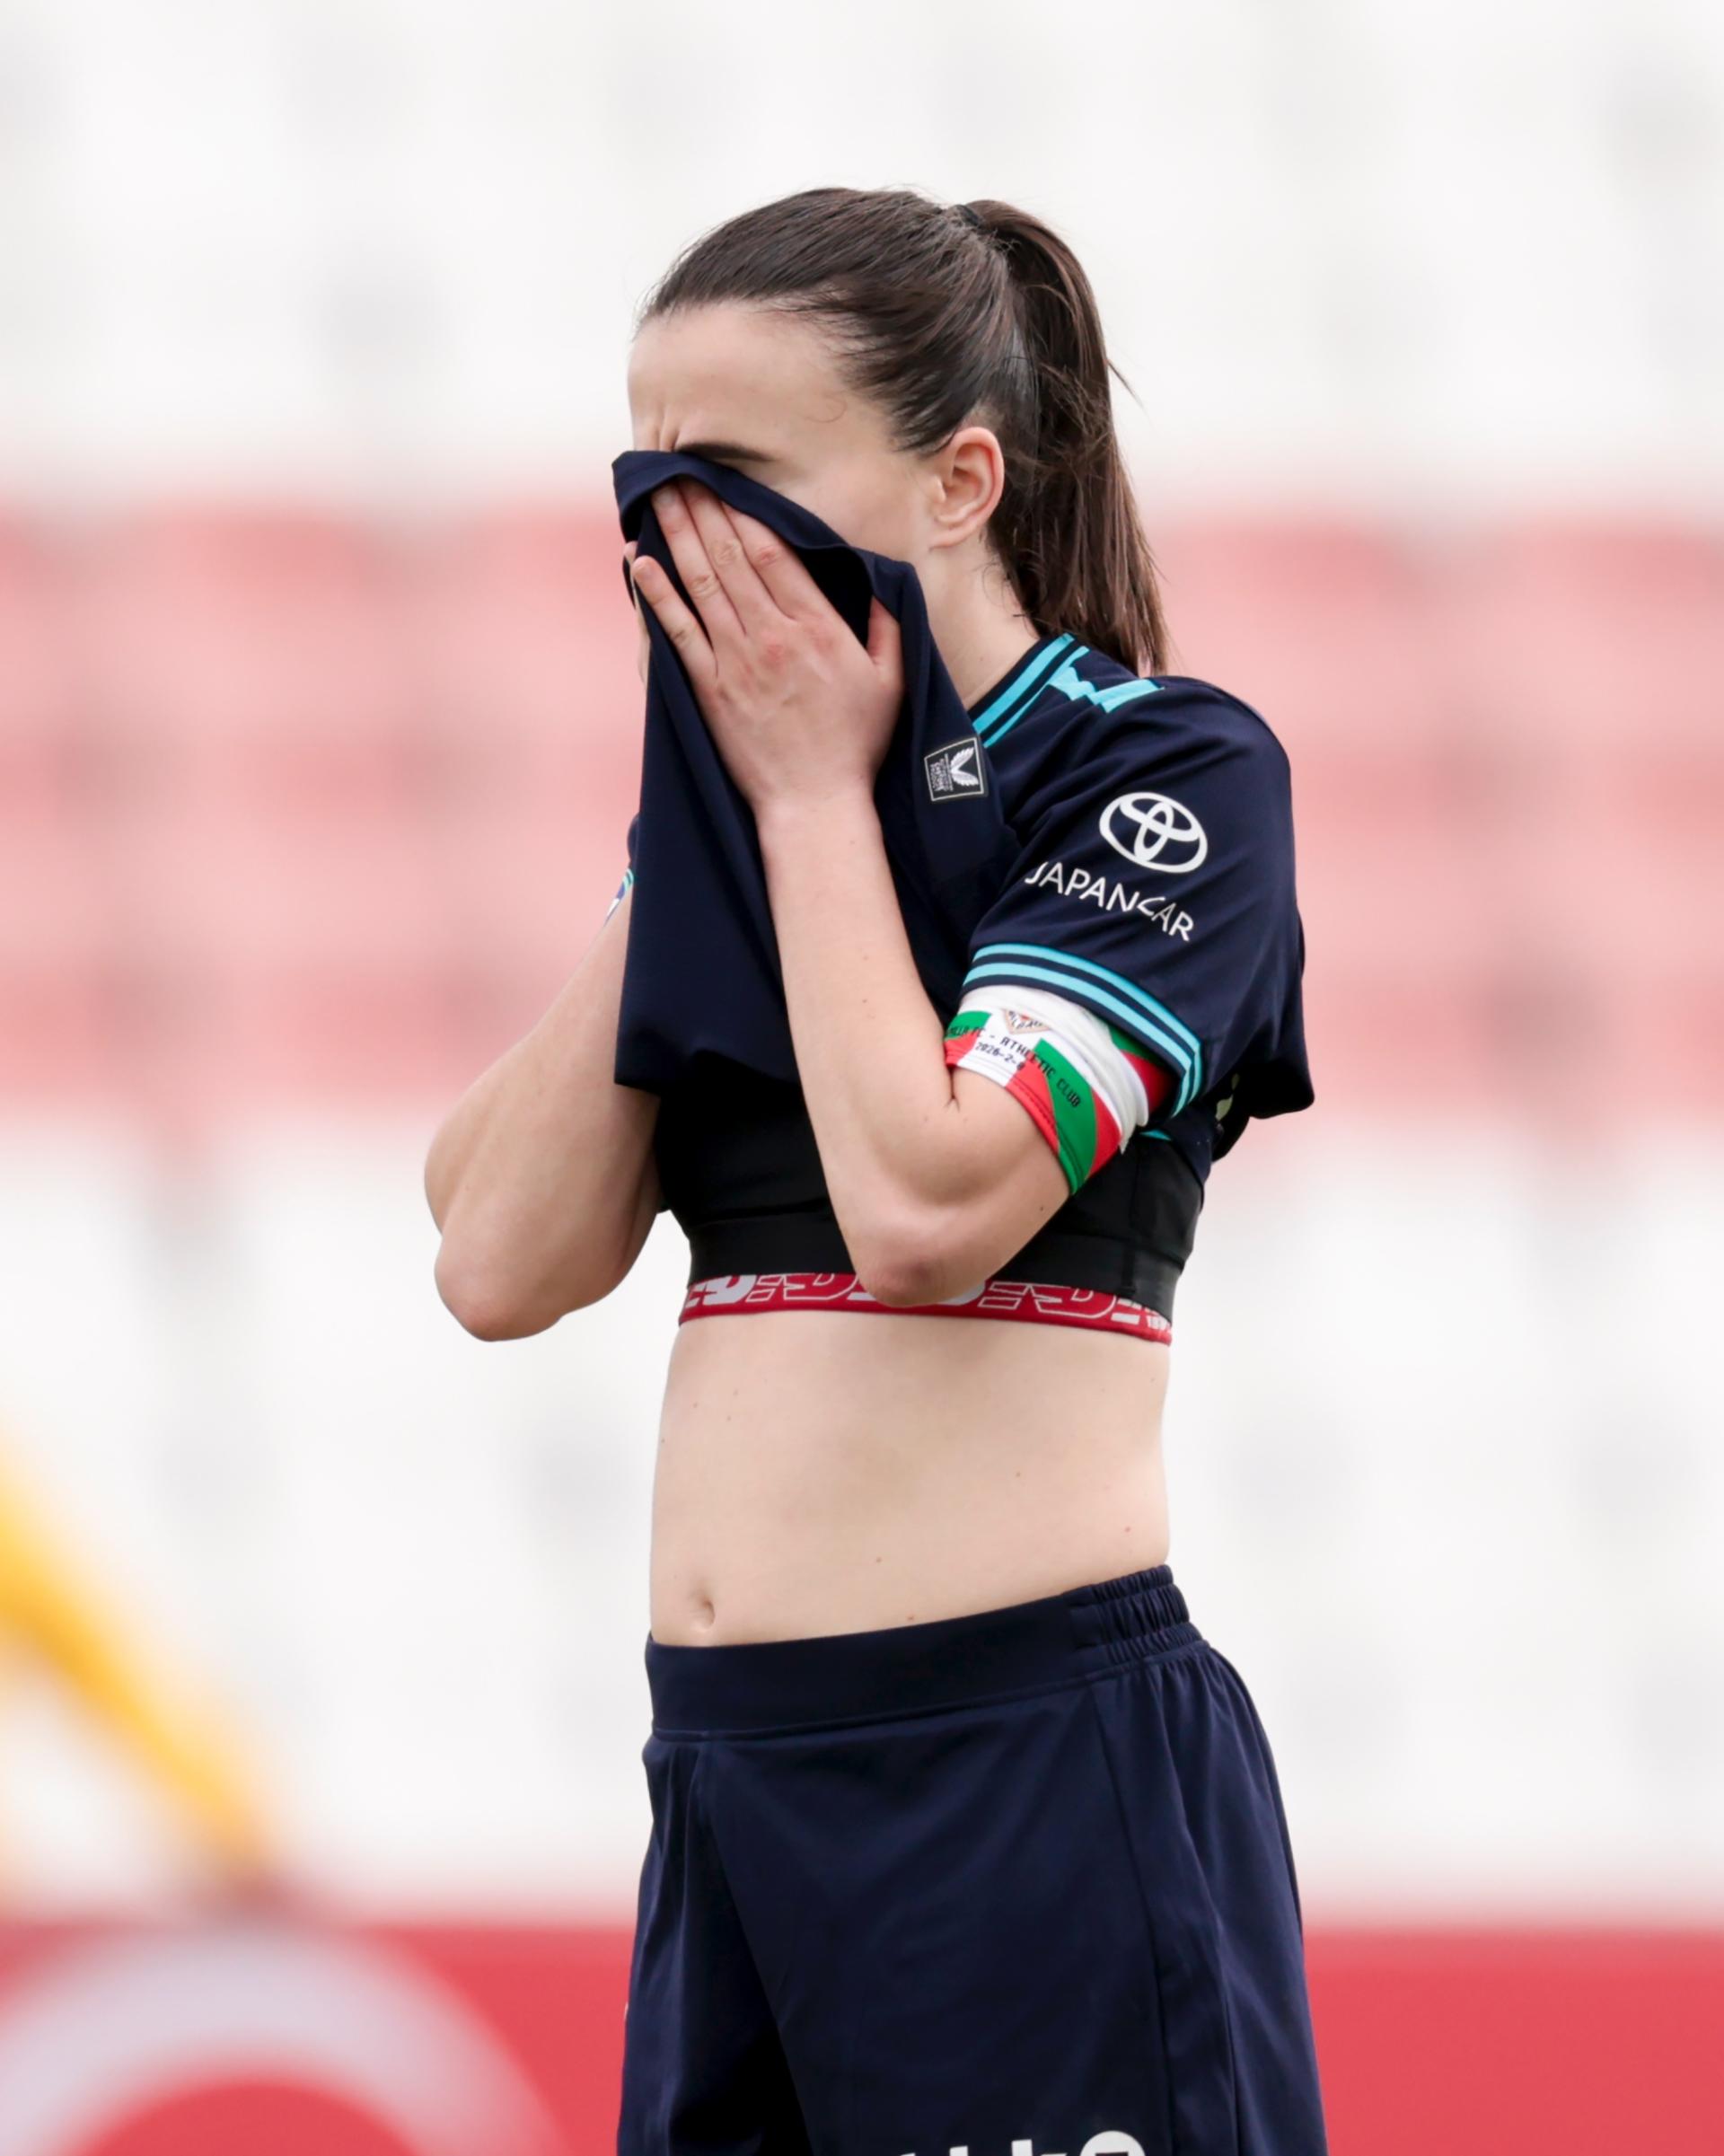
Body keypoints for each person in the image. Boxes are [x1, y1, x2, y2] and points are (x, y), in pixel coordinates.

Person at [426, 186, 1328, 2156]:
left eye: (736, 476)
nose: (675, 533)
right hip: (727, 1784)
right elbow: (494, 1256)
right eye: (645, 475)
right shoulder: (754, 819)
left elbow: (928, 1211)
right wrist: (710, 821)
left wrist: (818, 795)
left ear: (958, 482)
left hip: (1018, 1768)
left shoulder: (1163, 771)